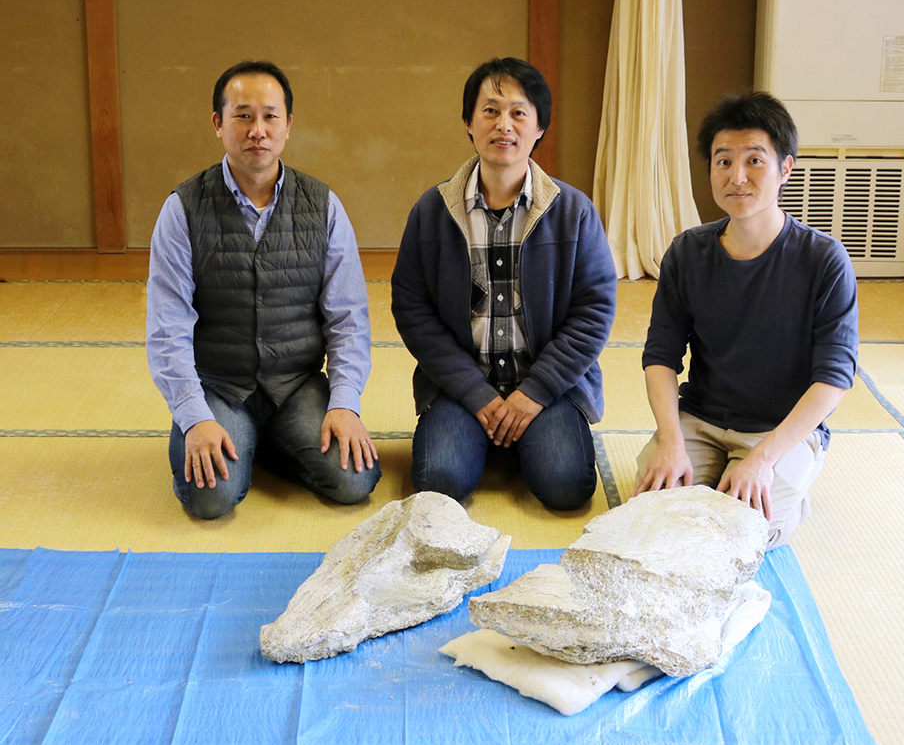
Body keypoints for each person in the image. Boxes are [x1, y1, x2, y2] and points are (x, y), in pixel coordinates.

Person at [146, 60, 381, 519]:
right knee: (211, 499)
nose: (258, 130)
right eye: (243, 116)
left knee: (355, 480)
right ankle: (246, 440)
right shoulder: (182, 209)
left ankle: (262, 443)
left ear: (288, 125)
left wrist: (345, 404)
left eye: (270, 116)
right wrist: (195, 417)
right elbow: (166, 329)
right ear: (218, 123)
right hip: (219, 387)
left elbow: (348, 319)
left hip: (296, 385)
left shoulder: (323, 205)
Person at [634, 91, 859, 549]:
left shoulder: (823, 259)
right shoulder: (687, 252)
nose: (737, 176)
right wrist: (671, 442)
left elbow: (834, 378)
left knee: (738, 537)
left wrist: (764, 458)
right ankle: (718, 473)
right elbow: (660, 357)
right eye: (723, 161)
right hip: (700, 420)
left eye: (755, 160)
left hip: (779, 432)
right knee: (651, 520)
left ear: (785, 169)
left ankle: (792, 490)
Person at [391, 57, 617, 511]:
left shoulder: (573, 211)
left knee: (567, 487)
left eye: (518, 113)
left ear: (539, 127)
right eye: (490, 111)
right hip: (461, 386)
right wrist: (474, 392)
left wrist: (534, 392)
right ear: (469, 123)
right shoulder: (433, 210)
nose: (503, 125)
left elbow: (594, 310)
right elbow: (412, 309)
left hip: (547, 386)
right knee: (439, 483)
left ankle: (520, 436)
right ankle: (493, 436)